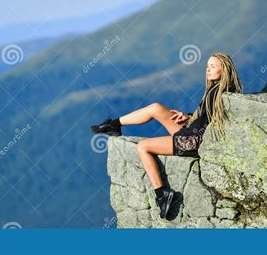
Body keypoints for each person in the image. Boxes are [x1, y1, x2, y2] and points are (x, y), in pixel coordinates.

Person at [90, 53, 243, 219]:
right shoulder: (216, 89)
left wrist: (192, 123)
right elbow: (207, 117)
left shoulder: (221, 93)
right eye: (207, 66)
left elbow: (212, 121)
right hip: (191, 132)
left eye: (213, 66)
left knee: (143, 147)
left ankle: (161, 195)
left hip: (192, 141)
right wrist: (188, 116)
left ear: (225, 69)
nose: (208, 70)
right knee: (155, 108)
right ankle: (114, 124)